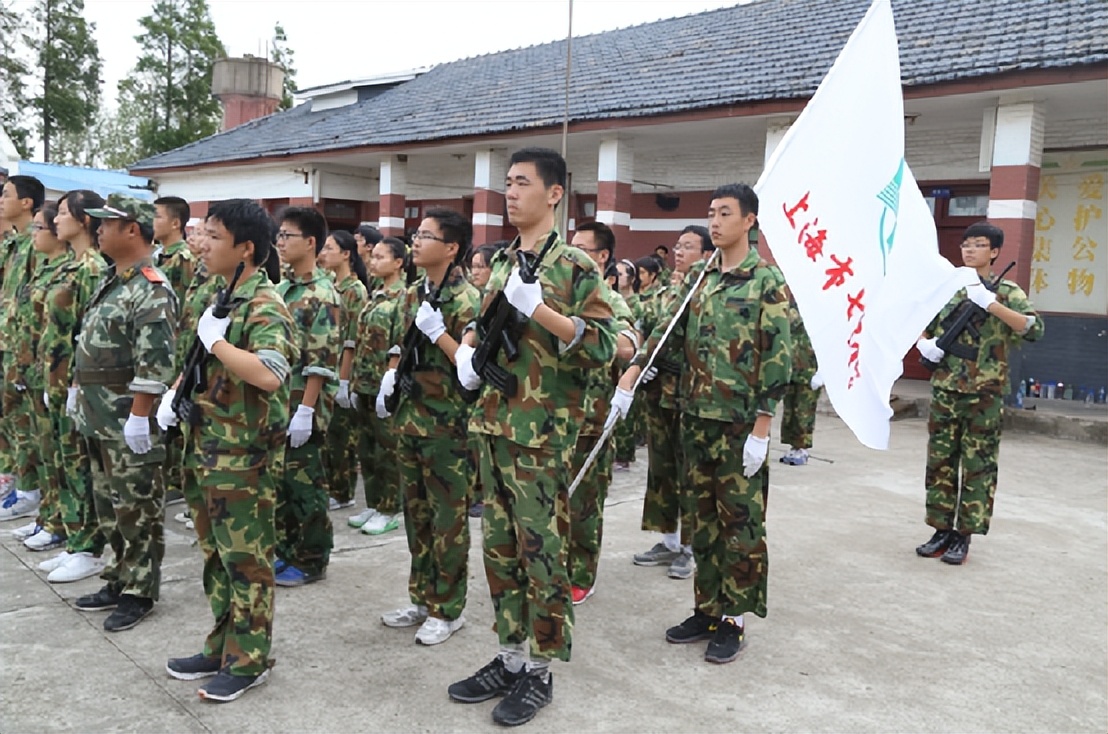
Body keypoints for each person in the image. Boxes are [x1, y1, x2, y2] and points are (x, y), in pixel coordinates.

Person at [447, 147, 616, 727]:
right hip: (492, 425)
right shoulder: (501, 261)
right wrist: (468, 352)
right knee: (498, 550)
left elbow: (604, 346)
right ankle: (510, 656)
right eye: (507, 183)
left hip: (540, 435)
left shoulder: (575, 266)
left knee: (541, 554)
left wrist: (541, 311)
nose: (511, 193)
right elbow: (482, 323)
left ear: (554, 193)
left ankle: (540, 670)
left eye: (522, 183)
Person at [612, 183, 791, 665]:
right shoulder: (699, 277)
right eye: (711, 212)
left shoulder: (766, 281)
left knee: (740, 526)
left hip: (739, 426)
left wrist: (761, 429)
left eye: (725, 213)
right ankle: (707, 609)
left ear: (749, 221)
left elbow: (778, 358)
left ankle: (734, 619)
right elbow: (664, 333)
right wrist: (630, 378)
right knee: (703, 523)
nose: (715, 221)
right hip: (694, 419)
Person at [159, 197, 298, 702]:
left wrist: (218, 344)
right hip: (208, 448)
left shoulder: (265, 305)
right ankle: (222, 645)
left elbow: (271, 374)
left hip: (243, 458)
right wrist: (175, 393)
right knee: (216, 558)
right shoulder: (222, 297)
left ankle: (249, 660)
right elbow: (201, 362)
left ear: (246, 249)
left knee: (247, 561)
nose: (203, 245)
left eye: (215, 237)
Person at [70, 194, 177, 632]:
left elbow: (155, 363)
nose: (98, 230)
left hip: (126, 416)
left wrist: (139, 415)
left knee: (137, 507)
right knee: (108, 505)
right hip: (98, 414)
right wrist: (77, 388)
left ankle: (140, 590)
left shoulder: (151, 286)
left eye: (106, 224)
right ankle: (118, 576)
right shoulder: (113, 280)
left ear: (132, 229)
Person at [376, 208, 481, 645]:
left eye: (426, 236)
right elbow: (400, 344)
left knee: (447, 521)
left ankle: (448, 608)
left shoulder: (469, 300)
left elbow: (471, 370)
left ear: (451, 248)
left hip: (448, 427)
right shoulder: (412, 294)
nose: (415, 242)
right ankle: (421, 598)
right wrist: (391, 373)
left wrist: (440, 334)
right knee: (416, 516)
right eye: (415, 235)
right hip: (410, 420)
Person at [914, 221, 1044, 565]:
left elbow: (1034, 329)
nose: (969, 250)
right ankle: (941, 529)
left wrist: (992, 305)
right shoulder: (948, 288)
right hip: (946, 388)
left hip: (984, 394)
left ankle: (964, 535)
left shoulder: (1007, 291)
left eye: (978, 245)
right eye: (966, 245)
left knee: (977, 465)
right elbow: (920, 323)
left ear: (995, 251)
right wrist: (924, 344)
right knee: (940, 462)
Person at [33, 191, 110, 583]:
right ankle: (75, 538)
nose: (56, 220)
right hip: (57, 379)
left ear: (84, 220)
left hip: (76, 384)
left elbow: (88, 334)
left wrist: (75, 384)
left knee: (81, 465)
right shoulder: (71, 265)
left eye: (63, 213)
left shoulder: (93, 268)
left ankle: (88, 547)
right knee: (65, 464)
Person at [631, 226, 710, 580]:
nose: (679, 252)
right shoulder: (664, 293)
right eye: (678, 246)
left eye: (688, 247)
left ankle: (692, 547)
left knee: (689, 471)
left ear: (706, 255)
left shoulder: (708, 293)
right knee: (661, 468)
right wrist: (643, 360)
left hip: (690, 395)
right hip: (658, 392)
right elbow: (646, 326)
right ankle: (669, 539)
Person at [566, 221, 638, 604]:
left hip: (590, 421)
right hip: (549, 420)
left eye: (580, 248)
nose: (571, 255)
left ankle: (581, 574)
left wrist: (584, 334)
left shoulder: (608, 300)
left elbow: (628, 343)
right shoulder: (558, 296)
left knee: (584, 505)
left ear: (601, 256)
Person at [273, 207, 341, 586]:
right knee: (283, 483)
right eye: (279, 235)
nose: (281, 242)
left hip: (304, 403)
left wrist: (305, 410)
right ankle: (287, 550)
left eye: (288, 236)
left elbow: (321, 360)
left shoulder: (322, 293)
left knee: (305, 484)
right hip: (279, 399)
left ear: (311, 242)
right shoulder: (283, 289)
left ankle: (313, 558)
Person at [348, 236, 411, 534]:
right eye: (372, 257)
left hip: (384, 384)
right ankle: (373, 503)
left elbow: (399, 342)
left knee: (388, 450)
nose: (373, 262)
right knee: (367, 447)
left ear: (398, 262)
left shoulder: (403, 297)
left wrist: (390, 379)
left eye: (380, 257)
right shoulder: (376, 294)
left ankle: (389, 508)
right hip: (364, 381)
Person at [0, 175, 45, 522]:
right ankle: (9, 476)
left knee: (23, 419)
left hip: (22, 347)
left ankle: (28, 489)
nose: (1, 200)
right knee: (7, 416)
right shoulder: (15, 243)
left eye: (6, 194)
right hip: (6, 341)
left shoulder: (37, 243)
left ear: (26, 202)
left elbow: (36, 302)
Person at [317, 230, 370, 511]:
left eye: (330, 248)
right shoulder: (328, 284)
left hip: (342, 370)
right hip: (326, 368)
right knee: (327, 436)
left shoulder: (355, 290)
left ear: (346, 254)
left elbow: (351, 340)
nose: (324, 253)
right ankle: (331, 487)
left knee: (341, 436)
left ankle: (342, 492)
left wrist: (344, 380)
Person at [772, 269, 820, 466]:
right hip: (791, 368)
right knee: (790, 410)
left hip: (809, 369)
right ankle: (793, 446)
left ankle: (802, 448)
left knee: (804, 411)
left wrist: (824, 371)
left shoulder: (817, 311)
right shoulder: (789, 305)